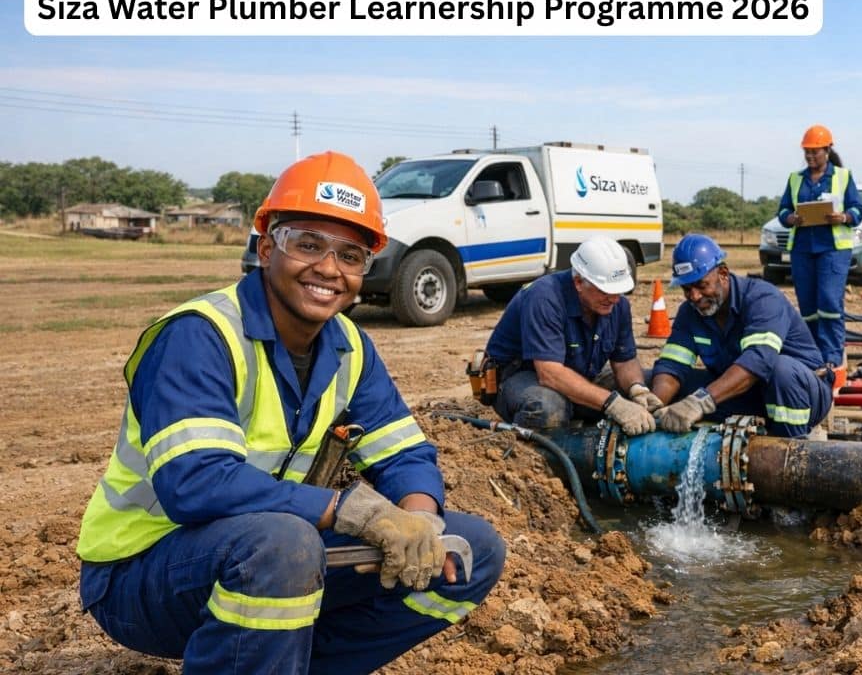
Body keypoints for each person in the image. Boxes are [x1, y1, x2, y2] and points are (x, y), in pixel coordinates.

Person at [75, 151, 505, 675]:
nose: (329, 268)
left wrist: (418, 518)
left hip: (263, 549)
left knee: (472, 550)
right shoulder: (200, 335)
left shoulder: (349, 345)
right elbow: (196, 483)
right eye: (308, 244)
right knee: (284, 544)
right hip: (140, 572)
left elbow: (405, 454)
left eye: (350, 255)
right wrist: (355, 511)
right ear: (265, 249)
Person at [649, 234, 833, 439]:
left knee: (781, 370)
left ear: (723, 273)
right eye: (687, 289)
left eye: (701, 286)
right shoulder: (689, 312)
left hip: (801, 393)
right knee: (651, 380)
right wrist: (653, 406)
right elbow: (672, 365)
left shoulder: (762, 299)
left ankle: (791, 450)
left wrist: (700, 401)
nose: (695, 296)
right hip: (745, 394)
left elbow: (758, 362)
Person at [483, 236, 659, 436]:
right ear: (578, 282)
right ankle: (537, 456)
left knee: (656, 379)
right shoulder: (544, 298)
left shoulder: (617, 304)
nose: (614, 299)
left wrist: (638, 389)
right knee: (547, 408)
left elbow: (624, 361)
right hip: (522, 379)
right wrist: (613, 404)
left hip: (578, 375)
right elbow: (549, 374)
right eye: (606, 291)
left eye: (619, 291)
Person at [777, 124, 862, 383]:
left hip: (833, 249)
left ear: (827, 150)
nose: (811, 157)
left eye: (816, 152)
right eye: (807, 152)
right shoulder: (796, 179)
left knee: (828, 301)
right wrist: (791, 218)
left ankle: (832, 357)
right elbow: (781, 212)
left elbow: (858, 210)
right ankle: (812, 354)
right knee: (808, 306)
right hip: (803, 248)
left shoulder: (843, 176)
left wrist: (843, 216)